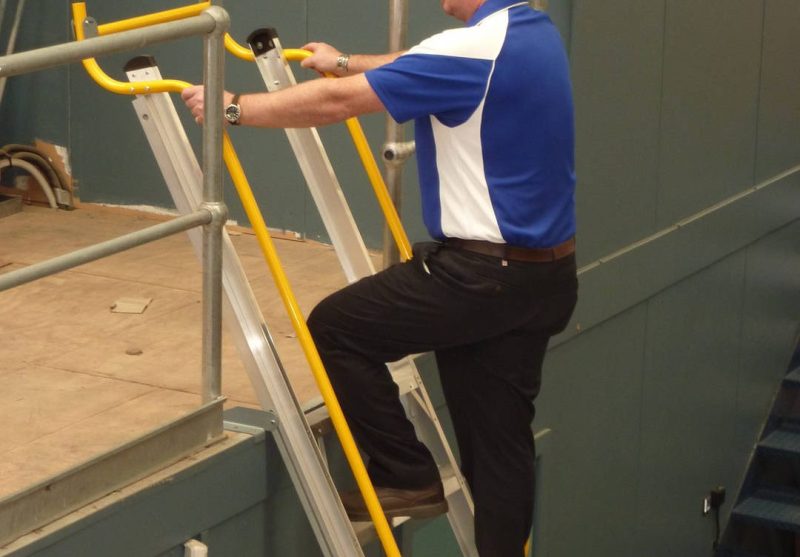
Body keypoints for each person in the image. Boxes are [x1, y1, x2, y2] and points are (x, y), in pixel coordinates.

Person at [183, 0, 577, 554]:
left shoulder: (470, 47)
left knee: (336, 329)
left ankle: (405, 475)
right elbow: (416, 60)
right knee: (500, 447)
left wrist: (234, 107)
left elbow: (340, 103)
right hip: (545, 278)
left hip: (480, 277)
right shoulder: (530, 33)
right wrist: (344, 61)